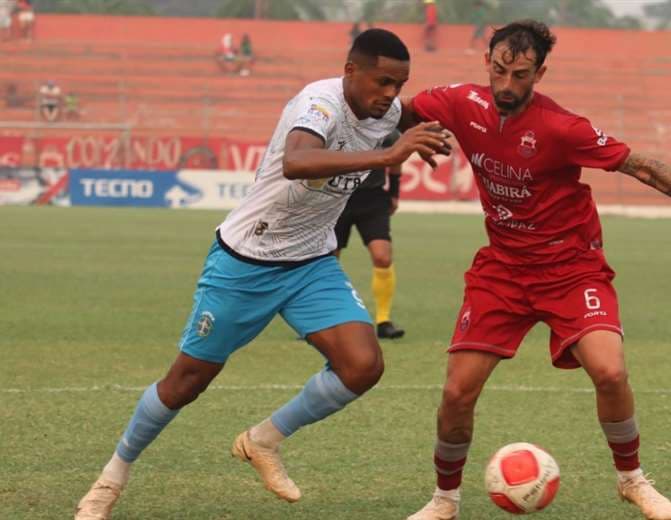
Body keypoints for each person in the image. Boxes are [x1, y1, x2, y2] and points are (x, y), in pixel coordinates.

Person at [73, 28, 450, 520]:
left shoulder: (389, 113)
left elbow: (435, 108)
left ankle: (263, 440)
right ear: (350, 70)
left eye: (398, 86)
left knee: (363, 365)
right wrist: (388, 155)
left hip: (311, 263)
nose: (390, 96)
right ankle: (111, 478)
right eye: (382, 82)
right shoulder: (320, 104)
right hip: (246, 261)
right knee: (187, 381)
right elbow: (297, 160)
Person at [400, 20, 671, 520]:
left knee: (610, 371)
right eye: (500, 70)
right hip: (502, 268)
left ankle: (631, 480)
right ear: (487, 62)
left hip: (571, 268)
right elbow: (400, 110)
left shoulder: (562, 127)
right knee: (457, 391)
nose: (507, 85)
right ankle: (445, 501)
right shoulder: (460, 102)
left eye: (520, 75)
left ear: (540, 73)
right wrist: (396, 150)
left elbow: (643, 166)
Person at [334, 129, 405, 339]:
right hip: (337, 198)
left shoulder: (386, 127)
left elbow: (396, 158)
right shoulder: (337, 122)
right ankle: (329, 319)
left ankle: (383, 320)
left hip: (373, 198)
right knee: (328, 261)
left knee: (382, 256)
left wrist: (394, 192)